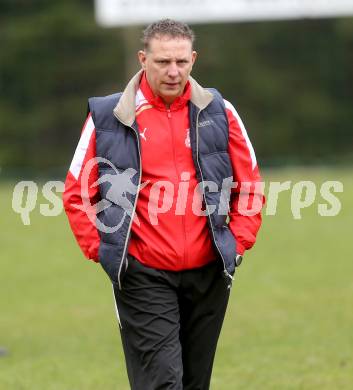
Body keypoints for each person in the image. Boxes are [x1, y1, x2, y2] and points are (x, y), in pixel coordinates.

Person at [63, 18, 263, 390]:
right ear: (143, 59)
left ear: (193, 60)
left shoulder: (220, 111)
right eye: (162, 62)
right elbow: (77, 191)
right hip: (143, 273)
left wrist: (236, 243)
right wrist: (105, 250)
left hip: (210, 271)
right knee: (161, 382)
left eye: (181, 62)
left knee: (193, 382)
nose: (173, 72)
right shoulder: (109, 116)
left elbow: (249, 184)